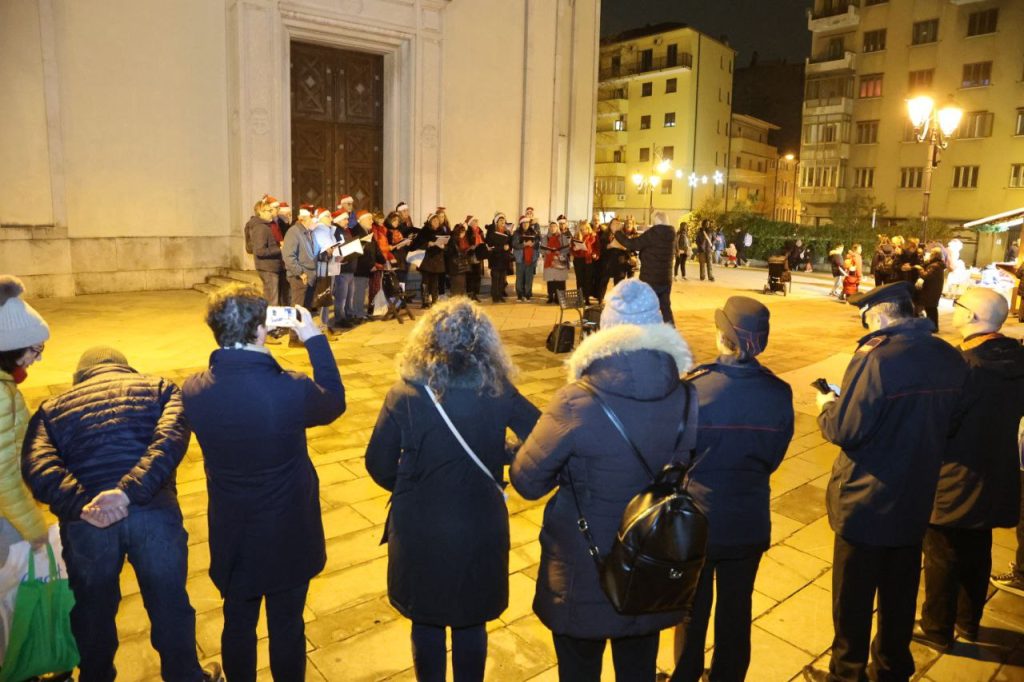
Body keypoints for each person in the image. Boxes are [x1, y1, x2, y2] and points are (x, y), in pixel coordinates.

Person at [511, 279, 695, 681]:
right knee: (638, 669)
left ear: (605, 329)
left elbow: (527, 482)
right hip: (650, 564)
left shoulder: (576, 399)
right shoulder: (687, 396)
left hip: (583, 569)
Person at [23, 346, 222, 682]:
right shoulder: (160, 389)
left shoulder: (50, 410)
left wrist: (80, 504)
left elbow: (37, 466)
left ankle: (95, 676)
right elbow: (170, 441)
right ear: (125, 368)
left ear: (80, 376)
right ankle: (185, 676)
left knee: (92, 611)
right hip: (152, 512)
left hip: (89, 522)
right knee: (169, 602)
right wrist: (129, 492)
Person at [365, 299, 539, 682]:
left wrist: (413, 484)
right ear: (484, 343)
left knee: (426, 620)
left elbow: (378, 464)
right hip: (479, 522)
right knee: (471, 620)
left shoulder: (405, 393)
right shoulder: (498, 390)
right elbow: (541, 436)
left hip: (420, 527)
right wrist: (503, 452)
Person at [181, 285, 345, 682]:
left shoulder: (194, 390)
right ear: (260, 329)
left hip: (233, 530)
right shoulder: (290, 388)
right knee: (287, 625)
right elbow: (334, 401)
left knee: (238, 622)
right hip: (288, 528)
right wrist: (314, 339)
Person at [806, 282, 968, 682]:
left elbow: (846, 429)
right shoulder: (949, 356)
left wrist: (827, 407)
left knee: (853, 597)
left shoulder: (876, 358)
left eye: (865, 318)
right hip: (915, 495)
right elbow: (953, 422)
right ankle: (893, 668)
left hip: (866, 499)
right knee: (900, 592)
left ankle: (847, 673)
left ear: (878, 315)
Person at [673, 297, 794, 682]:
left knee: (691, 609)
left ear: (721, 336)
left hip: (700, 519)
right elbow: (773, 458)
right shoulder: (779, 392)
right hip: (749, 519)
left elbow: (677, 457)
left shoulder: (695, 388)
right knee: (737, 609)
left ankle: (686, 674)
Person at [914, 287, 1024, 651]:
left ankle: (936, 629)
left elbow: (939, 424)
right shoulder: (1016, 358)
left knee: (941, 554)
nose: (954, 308)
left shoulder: (963, 367)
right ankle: (968, 621)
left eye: (958, 304)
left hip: (954, 477)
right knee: (977, 550)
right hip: (996, 472)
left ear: (973, 316)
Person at [0, 276, 51, 650]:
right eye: (35, 349)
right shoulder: (1, 396)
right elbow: (3, 475)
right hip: (7, 514)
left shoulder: (7, 386)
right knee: (10, 594)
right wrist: (34, 527)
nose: (38, 358)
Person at [613, 211, 676, 325]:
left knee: (645, 308)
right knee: (665, 308)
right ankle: (672, 332)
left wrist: (616, 233)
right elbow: (654, 247)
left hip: (650, 279)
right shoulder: (670, 234)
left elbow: (632, 244)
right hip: (665, 279)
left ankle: (644, 332)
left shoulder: (653, 233)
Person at [249, 197, 288, 309]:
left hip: (271, 266)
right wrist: (279, 249)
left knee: (271, 298)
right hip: (268, 268)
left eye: (272, 210)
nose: (272, 213)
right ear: (261, 212)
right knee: (272, 301)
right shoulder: (261, 228)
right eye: (269, 211)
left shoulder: (265, 226)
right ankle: (270, 320)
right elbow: (260, 251)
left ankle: (270, 318)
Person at [412, 212, 448, 309]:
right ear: (430, 222)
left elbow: (447, 245)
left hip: (437, 260)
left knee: (435, 282)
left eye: (437, 221)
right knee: (425, 281)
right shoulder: (424, 231)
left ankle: (435, 301)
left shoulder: (442, 231)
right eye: (434, 221)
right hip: (426, 260)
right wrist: (428, 244)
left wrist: (443, 246)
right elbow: (416, 244)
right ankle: (425, 301)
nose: (436, 222)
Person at [913, 247, 946, 331]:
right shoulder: (938, 265)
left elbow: (926, 276)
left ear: (934, 255)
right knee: (932, 309)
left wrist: (920, 269)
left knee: (930, 309)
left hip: (930, 291)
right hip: (934, 290)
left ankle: (933, 327)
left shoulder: (934, 266)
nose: (929, 254)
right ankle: (933, 327)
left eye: (931, 253)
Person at [485, 213, 512, 303]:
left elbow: (510, 244)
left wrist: (508, 247)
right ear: (496, 222)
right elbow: (490, 245)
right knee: (495, 279)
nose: (502, 222)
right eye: (500, 220)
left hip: (504, 259)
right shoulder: (491, 232)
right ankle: (495, 296)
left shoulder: (507, 232)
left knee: (502, 279)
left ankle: (500, 295)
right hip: (495, 259)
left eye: (504, 221)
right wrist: (502, 247)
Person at [543, 221, 571, 303]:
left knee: (560, 281)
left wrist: (560, 252)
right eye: (551, 227)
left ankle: (559, 297)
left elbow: (567, 249)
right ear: (549, 228)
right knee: (550, 280)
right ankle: (550, 296)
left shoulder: (563, 237)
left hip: (560, 262)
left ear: (557, 228)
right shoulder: (545, 238)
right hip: (549, 261)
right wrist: (546, 252)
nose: (553, 228)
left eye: (554, 226)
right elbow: (542, 249)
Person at [512, 216, 539, 302]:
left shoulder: (533, 232)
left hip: (531, 258)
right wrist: (524, 244)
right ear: (521, 224)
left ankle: (528, 295)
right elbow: (514, 245)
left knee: (529, 278)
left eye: (527, 223)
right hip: (520, 258)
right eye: (523, 223)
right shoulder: (517, 233)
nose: (525, 224)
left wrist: (533, 244)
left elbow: (538, 244)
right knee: (519, 278)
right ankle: (520, 295)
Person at [571, 221, 597, 304]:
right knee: (579, 279)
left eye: (585, 229)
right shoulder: (576, 237)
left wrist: (594, 254)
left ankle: (587, 298)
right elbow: (571, 249)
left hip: (588, 260)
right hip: (578, 260)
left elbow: (596, 248)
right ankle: (579, 298)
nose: (584, 231)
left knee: (588, 279)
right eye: (581, 229)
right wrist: (574, 249)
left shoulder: (592, 237)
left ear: (588, 229)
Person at [445, 222, 471, 297]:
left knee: (462, 285)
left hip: (461, 266)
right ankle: (456, 300)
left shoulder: (462, 240)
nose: (464, 234)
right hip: (455, 267)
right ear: (458, 232)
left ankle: (460, 299)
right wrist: (463, 251)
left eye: (464, 232)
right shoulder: (453, 240)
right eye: (462, 232)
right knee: (457, 286)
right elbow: (451, 253)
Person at [465, 216, 486, 301]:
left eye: (476, 221)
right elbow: (465, 243)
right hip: (471, 256)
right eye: (474, 221)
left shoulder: (480, 231)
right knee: (470, 276)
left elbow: (484, 241)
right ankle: (470, 294)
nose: (476, 223)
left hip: (479, 255)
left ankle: (476, 294)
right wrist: (471, 247)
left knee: (478, 276)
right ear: (470, 223)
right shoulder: (467, 232)